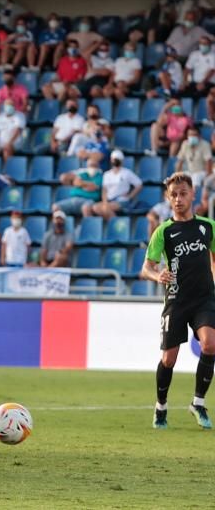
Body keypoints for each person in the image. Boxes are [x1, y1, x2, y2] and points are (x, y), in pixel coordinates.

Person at [143, 172, 215, 430]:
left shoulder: (207, 226)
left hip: (204, 299)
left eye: (183, 193)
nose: (178, 199)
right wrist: (157, 274)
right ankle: (161, 406)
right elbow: (146, 267)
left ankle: (198, 402)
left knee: (210, 344)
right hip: (176, 300)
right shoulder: (164, 231)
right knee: (169, 359)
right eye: (173, 194)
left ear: (192, 194)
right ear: (168, 197)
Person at [91, 150, 143, 220]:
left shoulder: (127, 173)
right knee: (96, 207)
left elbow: (139, 184)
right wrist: (105, 202)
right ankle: (116, 223)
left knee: (105, 208)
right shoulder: (107, 174)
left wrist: (130, 196)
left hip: (121, 200)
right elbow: (104, 190)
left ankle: (115, 225)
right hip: (109, 200)